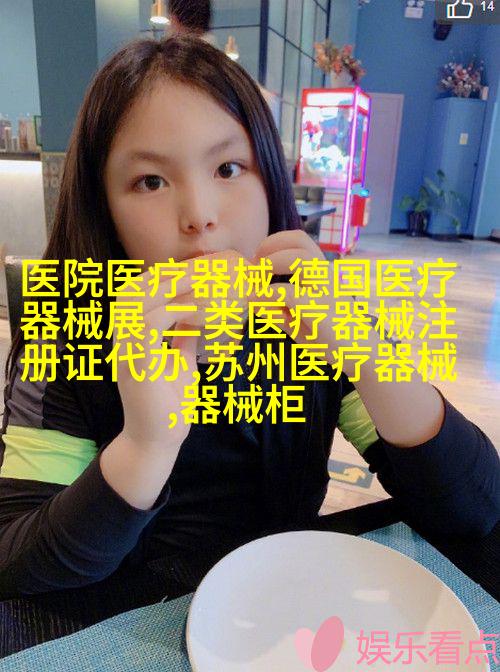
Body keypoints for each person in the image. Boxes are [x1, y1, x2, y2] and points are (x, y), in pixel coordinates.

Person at [0, 35, 498, 598]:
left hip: (285, 607)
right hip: (126, 618)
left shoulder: (313, 317)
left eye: (229, 168)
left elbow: (474, 509)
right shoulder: (65, 335)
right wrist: (144, 446)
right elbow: (17, 565)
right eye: (151, 181)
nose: (200, 216)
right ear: (104, 208)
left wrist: (365, 353)